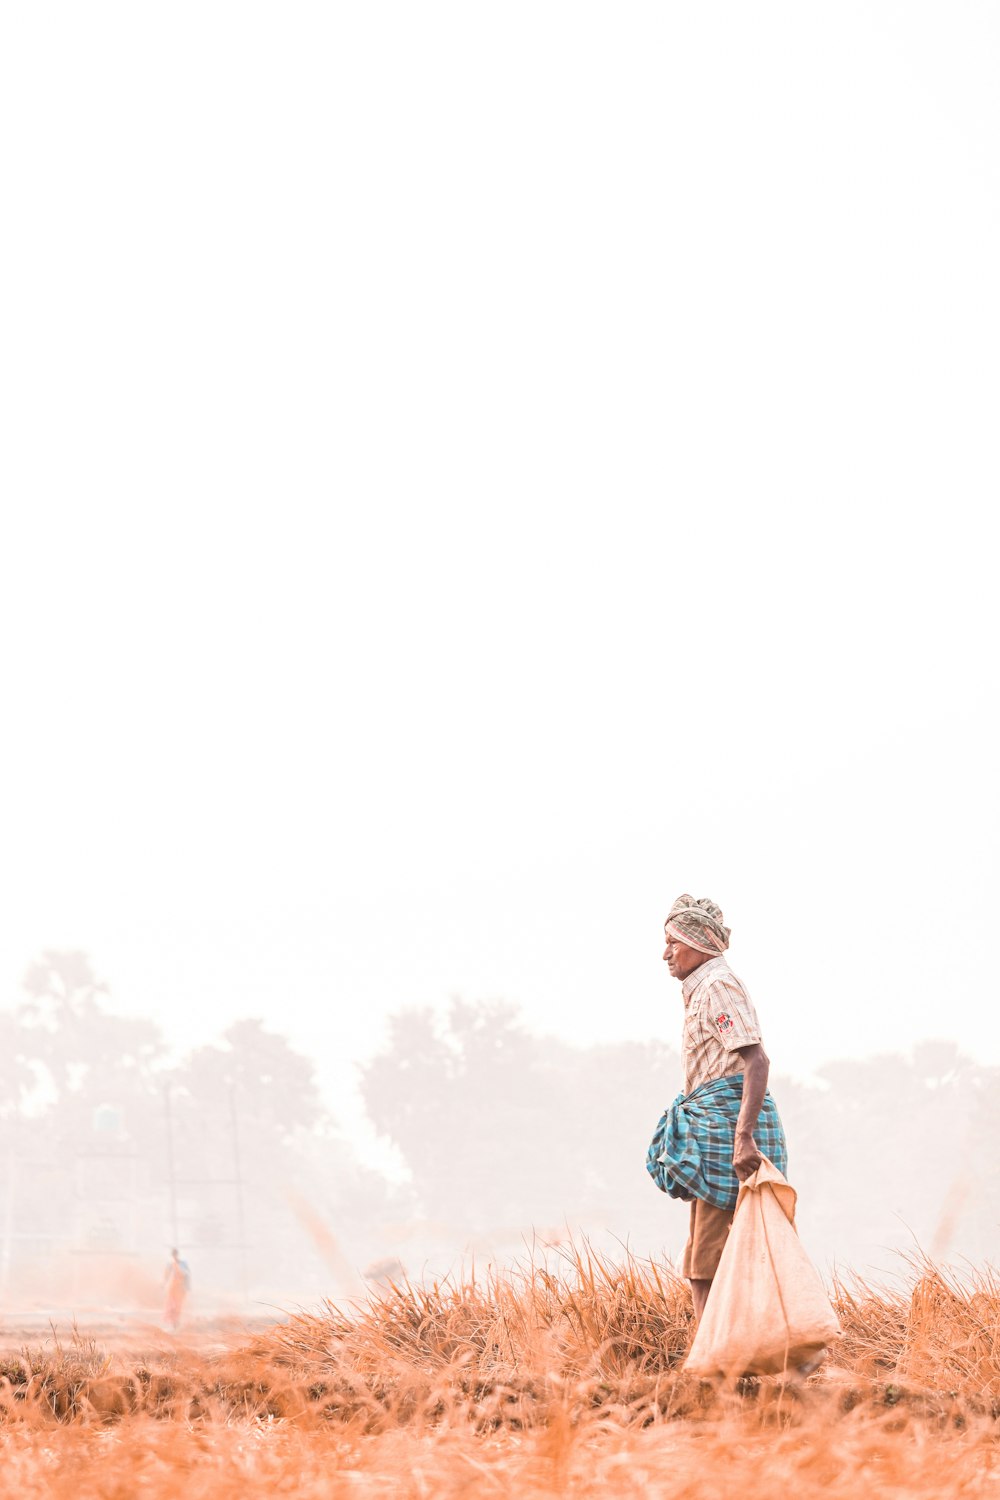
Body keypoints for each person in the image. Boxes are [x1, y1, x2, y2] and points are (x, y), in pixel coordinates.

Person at [647, 894, 787, 1322]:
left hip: (728, 1135)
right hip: (713, 1132)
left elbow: (755, 1061)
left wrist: (742, 1138)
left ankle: (715, 1359)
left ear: (700, 943)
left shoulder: (718, 986)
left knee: (709, 1258)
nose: (665, 953)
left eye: (674, 942)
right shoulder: (701, 989)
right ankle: (718, 1354)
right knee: (704, 1256)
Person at [163, 1247, 191, 1331]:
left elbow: (187, 1275)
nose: (174, 1256)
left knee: (178, 1305)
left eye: (175, 1254)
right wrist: (164, 1283)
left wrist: (187, 1286)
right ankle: (174, 1322)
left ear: (177, 1254)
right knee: (172, 1304)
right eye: (173, 1254)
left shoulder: (183, 1263)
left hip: (180, 1287)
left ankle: (176, 1321)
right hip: (174, 1286)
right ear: (172, 1255)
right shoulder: (171, 1263)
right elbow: (167, 1275)